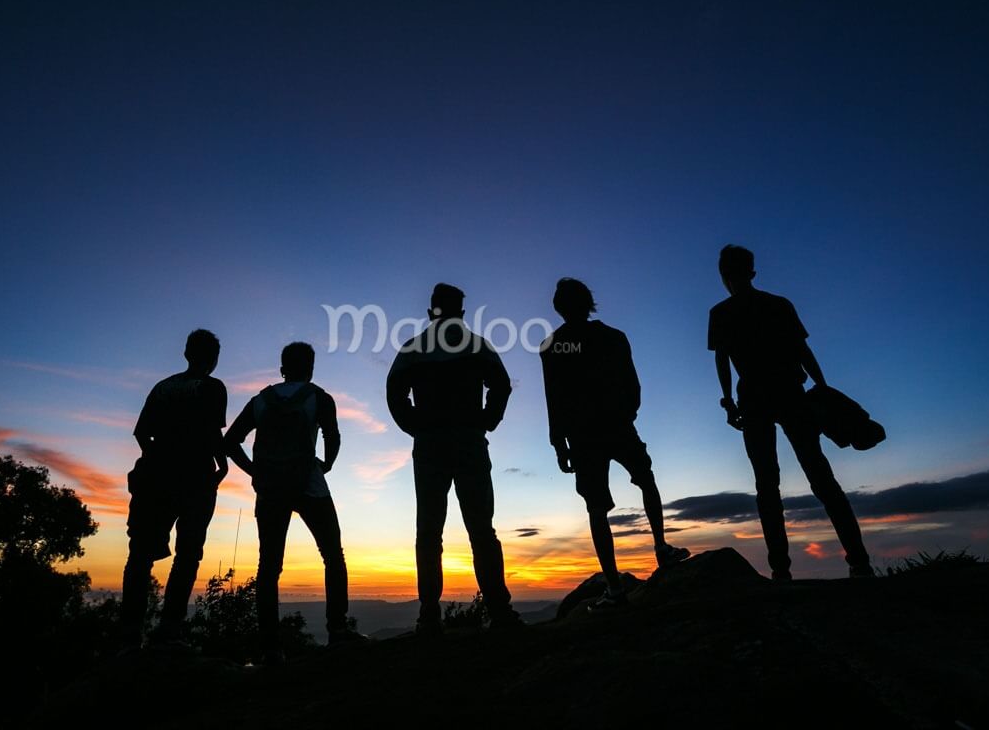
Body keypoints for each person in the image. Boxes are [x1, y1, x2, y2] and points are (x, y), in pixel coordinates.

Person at [708, 245, 872, 580]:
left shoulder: (721, 312)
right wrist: (823, 388)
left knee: (767, 485)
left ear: (724, 275)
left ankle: (781, 571)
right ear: (752, 272)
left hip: (753, 398)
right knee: (821, 477)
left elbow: (722, 361)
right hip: (790, 393)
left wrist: (728, 401)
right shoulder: (778, 305)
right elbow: (803, 350)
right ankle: (859, 562)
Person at [540, 278, 690, 610]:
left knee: (597, 507)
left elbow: (555, 398)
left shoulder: (553, 345)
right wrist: (628, 414)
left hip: (583, 435)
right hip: (616, 425)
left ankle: (614, 587)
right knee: (645, 479)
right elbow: (631, 382)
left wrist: (558, 443)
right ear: (588, 302)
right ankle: (661, 548)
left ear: (559, 308)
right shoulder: (612, 337)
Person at [386, 283, 523, 635]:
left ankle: (430, 615)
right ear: (461, 311)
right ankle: (499, 610)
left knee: (429, 532)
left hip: (432, 447)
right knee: (481, 529)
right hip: (468, 443)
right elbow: (502, 385)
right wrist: (487, 420)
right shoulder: (476, 344)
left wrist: (415, 426)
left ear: (431, 310)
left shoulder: (414, 348)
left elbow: (394, 392)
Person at [226, 342, 364, 664]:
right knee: (332, 554)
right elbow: (333, 437)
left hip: (270, 489)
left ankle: (271, 648)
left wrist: (253, 470)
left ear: (282, 367)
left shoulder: (261, 400)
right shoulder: (320, 397)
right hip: (309, 485)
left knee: (269, 567)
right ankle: (338, 631)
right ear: (311, 367)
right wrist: (326, 464)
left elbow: (230, 441)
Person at [120, 328, 228, 648]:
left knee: (140, 554)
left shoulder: (163, 387)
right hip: (195, 477)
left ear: (185, 353)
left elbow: (141, 433)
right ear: (213, 359)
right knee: (188, 552)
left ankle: (129, 631)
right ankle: (169, 629)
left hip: (155, 476)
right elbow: (211, 432)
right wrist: (222, 465)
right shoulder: (212, 387)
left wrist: (155, 456)